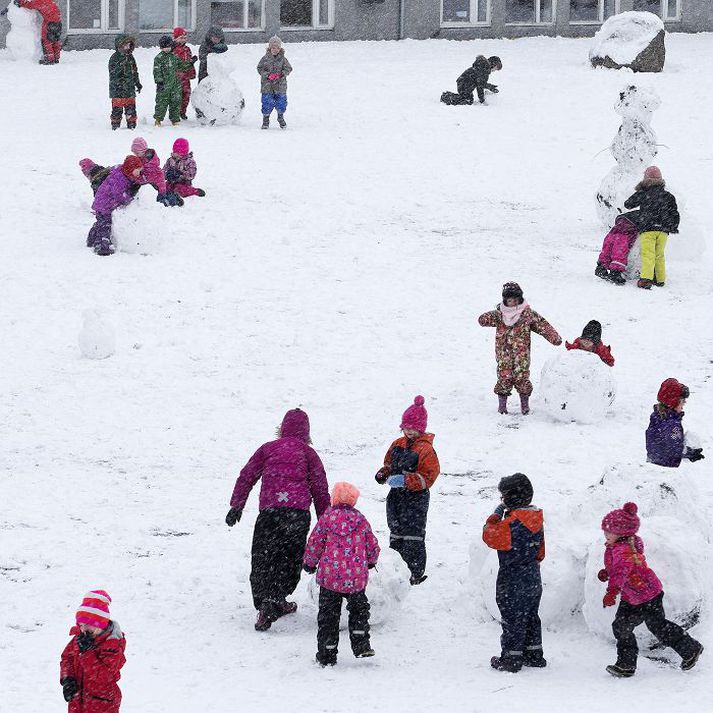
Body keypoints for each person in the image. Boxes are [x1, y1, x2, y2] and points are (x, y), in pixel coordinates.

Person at [225, 408, 330, 631]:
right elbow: (320, 489)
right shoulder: (309, 454)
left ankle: (265, 601)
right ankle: (277, 598)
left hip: (270, 513)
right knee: (290, 558)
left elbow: (247, 475)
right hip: (297, 515)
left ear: (281, 429)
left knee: (264, 555)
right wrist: (326, 522)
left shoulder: (267, 449)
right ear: (307, 433)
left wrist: (237, 504)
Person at [599, 502, 703, 677]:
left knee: (651, 626)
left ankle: (690, 649)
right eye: (605, 530)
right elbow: (619, 569)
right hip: (635, 595)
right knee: (625, 626)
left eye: (609, 531)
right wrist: (607, 572)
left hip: (646, 596)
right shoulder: (618, 547)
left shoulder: (623, 551)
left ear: (622, 533)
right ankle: (627, 664)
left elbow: (621, 571)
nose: (605, 534)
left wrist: (611, 592)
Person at [303, 482, 380, 666]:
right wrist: (371, 561)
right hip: (355, 579)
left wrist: (309, 563)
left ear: (334, 498)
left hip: (330, 579)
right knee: (359, 611)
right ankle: (361, 645)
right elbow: (372, 544)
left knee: (328, 617)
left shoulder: (327, 518)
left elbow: (315, 543)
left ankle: (327, 654)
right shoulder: (360, 520)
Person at [483, 473, 546, 673]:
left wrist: (495, 515)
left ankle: (511, 658)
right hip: (533, 576)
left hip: (512, 578)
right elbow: (541, 552)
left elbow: (489, 536)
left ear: (510, 498)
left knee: (512, 618)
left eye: (503, 497)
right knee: (530, 615)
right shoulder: (536, 519)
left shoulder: (511, 524)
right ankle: (534, 654)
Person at [375, 396, 440, 586]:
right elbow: (388, 463)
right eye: (406, 427)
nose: (409, 431)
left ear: (421, 429)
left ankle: (415, 572)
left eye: (414, 428)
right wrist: (383, 472)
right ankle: (396, 570)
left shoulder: (426, 450)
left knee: (413, 534)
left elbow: (429, 476)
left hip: (416, 499)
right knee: (395, 530)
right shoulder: (397, 444)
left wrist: (406, 480)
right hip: (396, 497)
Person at [478, 282, 562, 415]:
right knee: (504, 378)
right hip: (503, 355)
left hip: (521, 355)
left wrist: (554, 337)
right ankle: (502, 406)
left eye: (515, 300)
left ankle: (525, 404)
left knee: (522, 378)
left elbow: (542, 325)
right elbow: (483, 319)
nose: (512, 303)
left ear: (520, 299)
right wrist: (483, 319)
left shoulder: (527, 314)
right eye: (510, 300)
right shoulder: (499, 315)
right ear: (505, 300)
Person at [60, 590, 127, 712]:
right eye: (80, 624)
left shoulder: (113, 644)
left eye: (88, 624)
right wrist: (67, 679)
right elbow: (67, 657)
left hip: (102, 704)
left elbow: (105, 676)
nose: (83, 628)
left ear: (100, 624)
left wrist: (87, 653)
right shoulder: (81, 637)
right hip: (77, 701)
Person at [623, 166, 680, 289]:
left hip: (648, 229)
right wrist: (672, 227)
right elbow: (675, 213)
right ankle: (660, 279)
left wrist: (640, 190)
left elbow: (628, 204)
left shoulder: (644, 193)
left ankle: (646, 279)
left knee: (648, 254)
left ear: (646, 180)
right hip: (663, 231)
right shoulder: (668, 196)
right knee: (659, 255)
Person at [86, 156, 143, 256]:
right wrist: (130, 195)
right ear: (130, 169)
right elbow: (120, 196)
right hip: (104, 204)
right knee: (105, 224)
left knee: (101, 222)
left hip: (105, 202)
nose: (138, 173)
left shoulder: (125, 173)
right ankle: (102, 245)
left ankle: (91, 238)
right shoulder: (119, 178)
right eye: (137, 171)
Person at [645, 378, 704, 467]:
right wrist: (690, 453)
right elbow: (673, 449)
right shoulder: (671, 424)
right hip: (664, 469)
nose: (684, 403)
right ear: (674, 402)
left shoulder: (658, 417)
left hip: (654, 464)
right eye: (683, 401)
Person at [153, 35, 195, 127]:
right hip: (164, 85)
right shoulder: (159, 58)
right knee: (162, 103)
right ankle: (158, 119)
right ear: (161, 47)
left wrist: (190, 63)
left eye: (169, 46)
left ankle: (175, 119)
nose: (167, 49)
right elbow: (157, 71)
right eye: (165, 47)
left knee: (175, 102)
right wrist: (159, 81)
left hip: (175, 84)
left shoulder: (174, 57)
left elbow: (182, 66)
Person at [129, 137, 181, 207]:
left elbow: (148, 175)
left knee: (161, 199)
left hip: (158, 182)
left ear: (143, 151)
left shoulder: (151, 163)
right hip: (150, 181)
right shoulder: (141, 157)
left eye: (137, 153)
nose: (135, 154)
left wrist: (139, 173)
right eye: (134, 153)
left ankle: (175, 199)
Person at [595, 211, 640, 285]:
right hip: (627, 230)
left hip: (617, 227)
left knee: (607, 247)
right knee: (619, 251)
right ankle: (615, 273)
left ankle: (601, 267)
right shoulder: (645, 216)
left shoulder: (630, 217)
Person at [257, 35, 292, 129]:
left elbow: (289, 68)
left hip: (280, 86)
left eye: (277, 48)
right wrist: (267, 75)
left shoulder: (283, 59)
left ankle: (280, 117)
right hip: (267, 86)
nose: (275, 49)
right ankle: (266, 119)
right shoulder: (265, 59)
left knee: (281, 102)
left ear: (280, 48)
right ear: (269, 48)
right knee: (267, 102)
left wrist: (281, 74)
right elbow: (259, 69)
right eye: (273, 47)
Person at [108, 35, 141, 131]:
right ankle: (115, 123)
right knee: (117, 108)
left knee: (130, 108)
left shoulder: (130, 57)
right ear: (120, 45)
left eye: (129, 45)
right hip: (117, 89)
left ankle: (131, 123)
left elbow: (134, 71)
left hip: (129, 89)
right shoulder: (114, 58)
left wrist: (137, 82)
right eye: (125, 45)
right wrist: (120, 80)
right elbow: (113, 73)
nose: (127, 47)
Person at [172, 27, 197, 120]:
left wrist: (192, 70)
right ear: (175, 38)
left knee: (186, 95)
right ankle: (175, 112)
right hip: (176, 77)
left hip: (185, 77)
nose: (183, 40)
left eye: (185, 37)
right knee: (176, 96)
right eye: (181, 37)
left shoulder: (187, 49)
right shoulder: (173, 49)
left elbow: (189, 61)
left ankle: (182, 111)